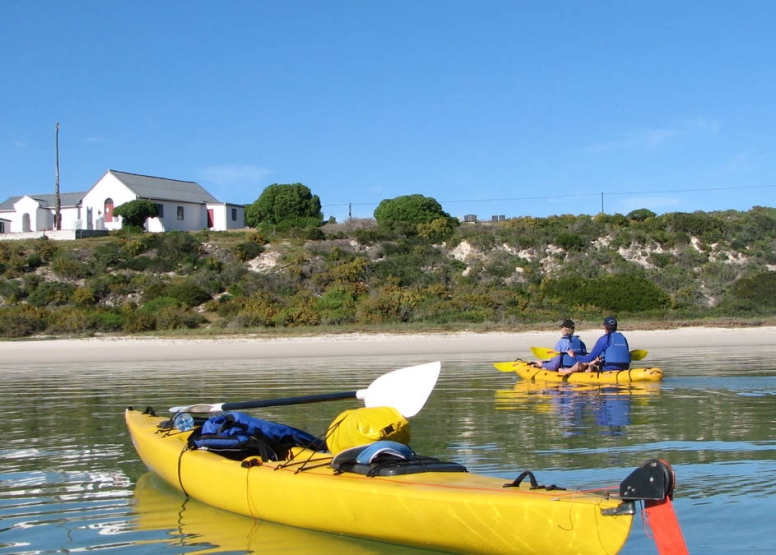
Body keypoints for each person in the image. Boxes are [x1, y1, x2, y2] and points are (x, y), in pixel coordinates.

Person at [563, 316, 631, 375]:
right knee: (594, 362)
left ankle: (568, 371)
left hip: (608, 368)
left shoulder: (604, 339)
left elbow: (589, 358)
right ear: (616, 326)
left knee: (588, 365)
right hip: (625, 367)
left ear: (605, 327)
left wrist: (575, 356)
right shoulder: (623, 338)